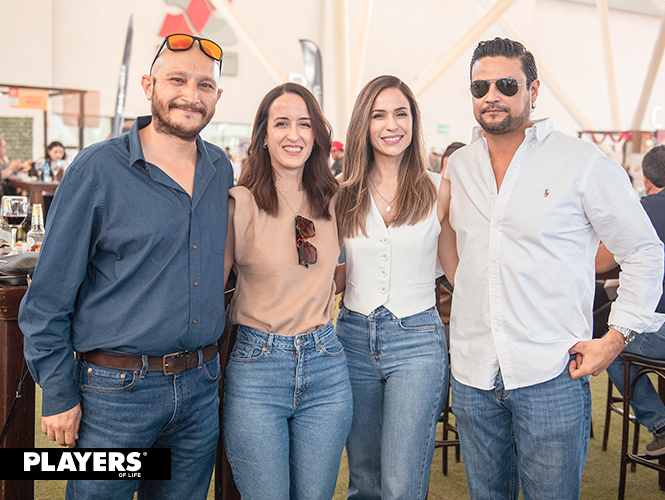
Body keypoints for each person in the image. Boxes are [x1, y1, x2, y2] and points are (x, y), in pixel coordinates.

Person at [445, 37, 664, 500]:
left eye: (506, 84)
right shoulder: (459, 167)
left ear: (533, 90)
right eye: (480, 86)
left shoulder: (581, 163)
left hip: (551, 374)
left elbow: (644, 251)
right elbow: (451, 247)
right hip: (473, 372)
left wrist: (615, 339)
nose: (492, 95)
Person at [19, 33, 232, 500]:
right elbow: (46, 299)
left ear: (218, 96)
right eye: (177, 80)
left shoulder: (220, 168)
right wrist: (58, 393)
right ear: (148, 85)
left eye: (204, 85)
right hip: (115, 395)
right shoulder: (96, 170)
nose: (190, 96)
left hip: (200, 387)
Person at [222, 82, 353, 500]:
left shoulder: (337, 200)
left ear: (316, 136)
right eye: (281, 123)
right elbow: (209, 291)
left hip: (326, 364)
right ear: (263, 135)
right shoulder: (238, 204)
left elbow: (335, 275)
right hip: (257, 367)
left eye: (304, 124)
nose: (293, 134)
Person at [335, 75, 458, 500]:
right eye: (379, 115)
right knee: (363, 479)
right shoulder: (342, 193)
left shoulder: (440, 188)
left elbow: (456, 271)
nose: (392, 125)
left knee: (403, 483)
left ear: (413, 121)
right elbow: (331, 271)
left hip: (418, 342)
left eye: (401, 113)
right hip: (352, 338)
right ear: (364, 124)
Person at [600, 144, 665, 456]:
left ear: (647, 181)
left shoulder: (644, 209)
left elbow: (601, 261)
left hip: (660, 330)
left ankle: (661, 425)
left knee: (610, 348)